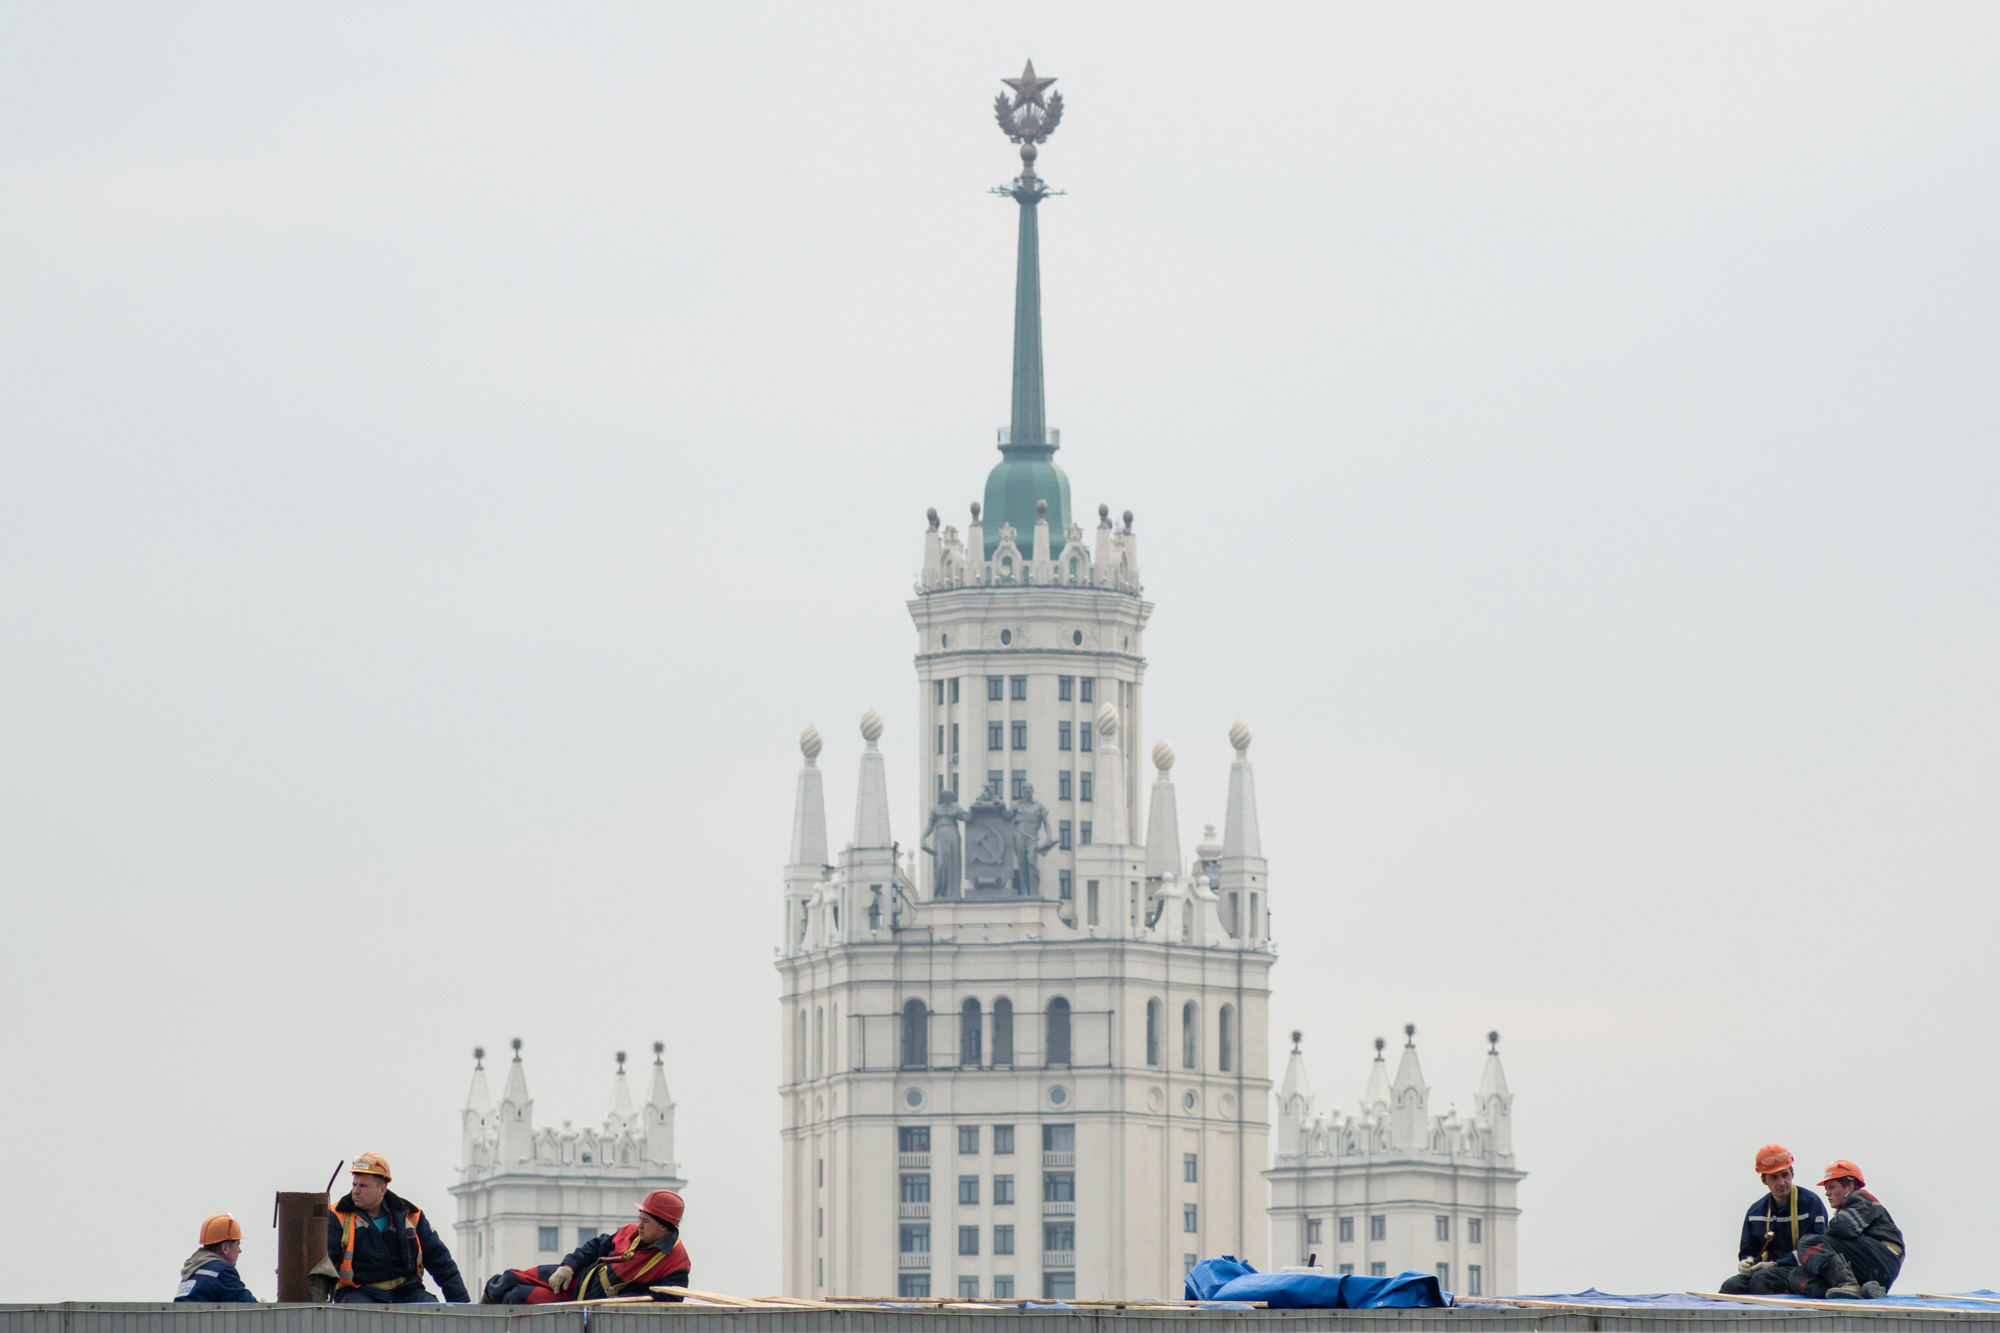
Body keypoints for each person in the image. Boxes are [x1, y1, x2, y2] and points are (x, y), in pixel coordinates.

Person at [481, 1190, 692, 1304]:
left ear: (664, 1227)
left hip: (588, 1304)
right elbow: (595, 1246)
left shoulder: (677, 1262)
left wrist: (618, 1303)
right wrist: (568, 1266)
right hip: (577, 1278)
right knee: (507, 1279)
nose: (640, 1225)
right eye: (640, 1218)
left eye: (646, 1220)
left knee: (517, 1296)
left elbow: (666, 1301)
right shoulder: (632, 1231)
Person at [1747, 1159, 1905, 1299]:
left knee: (1809, 1242)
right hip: (1870, 1269)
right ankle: (1859, 1291)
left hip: (1883, 1257)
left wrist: (1820, 1243)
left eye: (1831, 1187)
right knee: (1797, 1276)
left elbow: (1842, 1228)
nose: (1826, 1193)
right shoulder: (1847, 1208)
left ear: (1850, 1185)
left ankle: (1847, 1284)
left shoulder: (1860, 1197)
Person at [326, 1152, 469, 1304]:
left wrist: (462, 1304)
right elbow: (324, 1266)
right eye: (354, 1184)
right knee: (362, 1319)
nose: (356, 1191)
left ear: (382, 1189)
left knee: (432, 1314)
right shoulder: (337, 1216)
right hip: (358, 1292)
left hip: (406, 1291)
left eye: (363, 1186)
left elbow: (440, 1260)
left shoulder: (412, 1215)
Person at [1718, 1144, 1828, 1294]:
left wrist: (1774, 1265)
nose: (1781, 1182)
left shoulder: (1810, 1204)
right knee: (1731, 1286)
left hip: (1802, 1270)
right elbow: (1748, 1250)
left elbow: (1815, 1248)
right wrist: (1746, 1262)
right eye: (1774, 1177)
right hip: (1767, 1270)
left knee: (1762, 1280)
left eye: (1785, 1175)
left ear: (1792, 1174)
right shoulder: (1756, 1212)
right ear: (1764, 1180)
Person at [176, 1214, 258, 1303]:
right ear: (225, 1248)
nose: (240, 1251)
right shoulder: (223, 1271)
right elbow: (248, 1305)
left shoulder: (192, 1270)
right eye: (238, 1245)